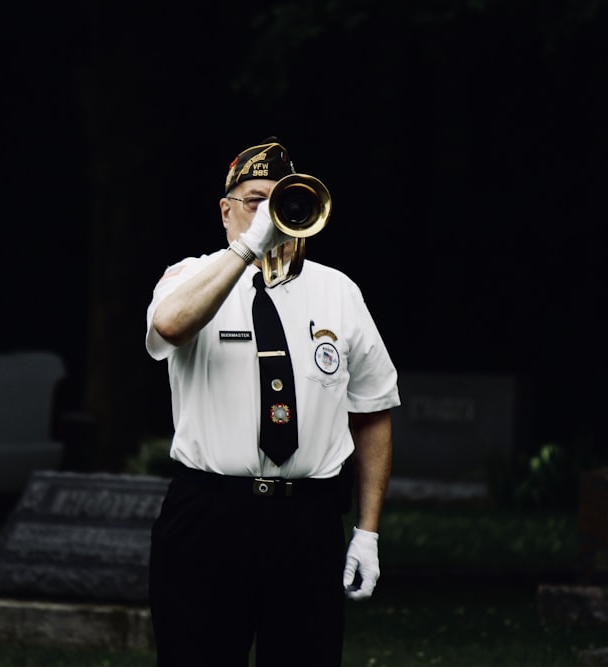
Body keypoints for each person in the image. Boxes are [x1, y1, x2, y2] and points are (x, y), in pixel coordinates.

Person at [144, 138, 400, 667]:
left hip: (307, 519)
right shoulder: (190, 277)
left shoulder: (340, 292)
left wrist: (367, 532)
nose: (269, 215)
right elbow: (168, 326)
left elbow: (373, 412)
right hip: (210, 515)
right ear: (225, 211)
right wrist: (247, 251)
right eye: (254, 201)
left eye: (280, 201)